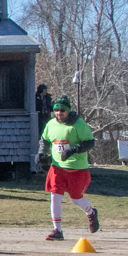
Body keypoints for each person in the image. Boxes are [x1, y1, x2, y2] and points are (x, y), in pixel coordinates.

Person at [39, 94, 101, 239]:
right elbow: (45, 140)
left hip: (77, 169)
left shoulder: (78, 124)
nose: (59, 113)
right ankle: (57, 230)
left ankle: (91, 212)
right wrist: (41, 153)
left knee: (76, 199)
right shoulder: (51, 124)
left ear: (68, 110)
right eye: (56, 110)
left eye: (62, 110)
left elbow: (90, 142)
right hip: (57, 167)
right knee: (55, 196)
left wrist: (73, 150)